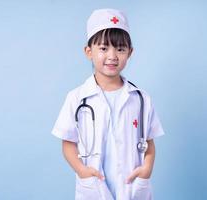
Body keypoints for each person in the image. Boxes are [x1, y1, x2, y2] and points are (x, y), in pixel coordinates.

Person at [52, 8, 165, 200]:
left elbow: (149, 142)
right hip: (94, 186)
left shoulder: (141, 99)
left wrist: (147, 168)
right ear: (89, 52)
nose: (112, 56)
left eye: (120, 49)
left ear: (130, 52)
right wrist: (82, 171)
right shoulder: (77, 98)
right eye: (104, 48)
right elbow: (68, 143)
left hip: (132, 187)